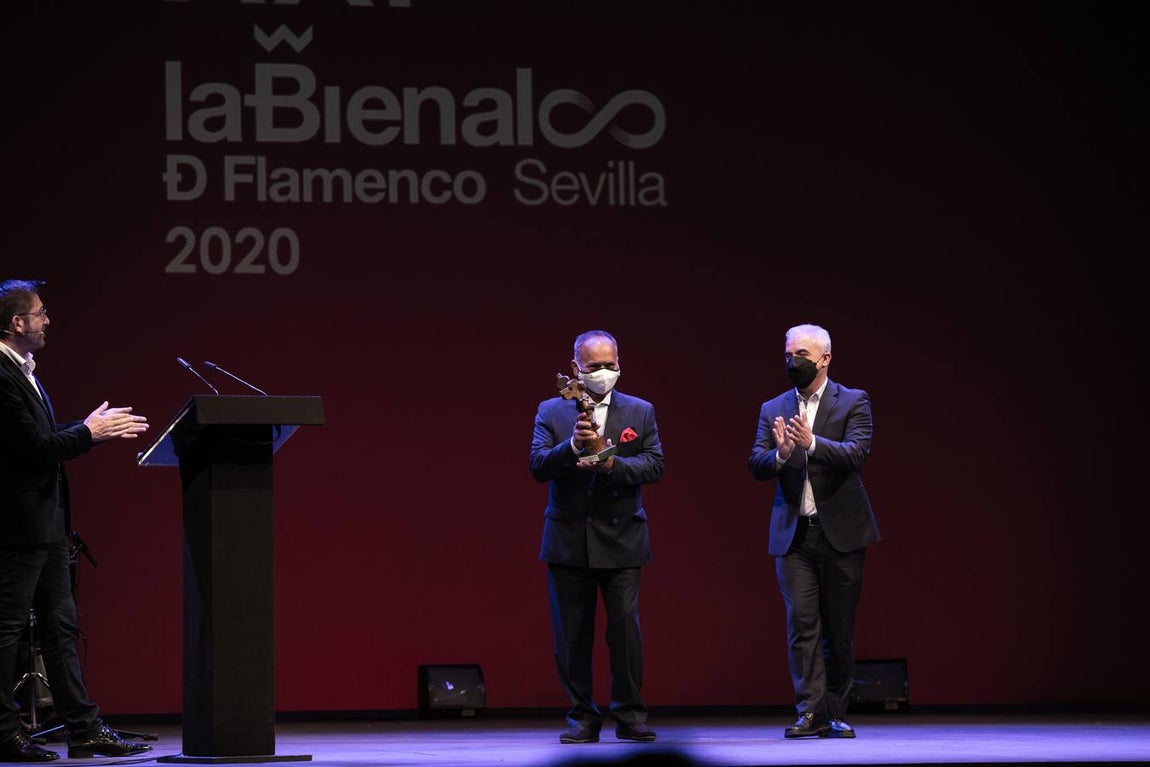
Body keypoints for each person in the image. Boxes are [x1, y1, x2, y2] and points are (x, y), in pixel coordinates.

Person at [0, 279, 153, 762]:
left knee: (60, 628)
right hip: (18, 528)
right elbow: (31, 452)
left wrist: (86, 430)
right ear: (17, 323)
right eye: (41, 313)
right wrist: (88, 434)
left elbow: (42, 437)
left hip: (45, 526)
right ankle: (4, 732)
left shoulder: (22, 371)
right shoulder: (1, 376)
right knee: (6, 632)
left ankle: (83, 729)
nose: (48, 320)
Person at [530, 330, 665, 745]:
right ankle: (582, 718)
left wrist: (610, 465)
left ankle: (629, 715)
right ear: (576, 368)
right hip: (569, 539)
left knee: (625, 631)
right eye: (593, 367)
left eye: (610, 365)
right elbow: (537, 465)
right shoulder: (552, 410)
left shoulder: (640, 411)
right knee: (572, 635)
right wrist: (571, 446)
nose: (604, 373)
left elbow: (654, 465)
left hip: (623, 538)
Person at [747, 323, 880, 740]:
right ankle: (809, 712)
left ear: (824, 358)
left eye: (801, 354)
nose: (792, 361)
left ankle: (834, 712)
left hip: (841, 533)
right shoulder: (773, 407)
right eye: (788, 354)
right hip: (794, 534)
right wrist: (782, 454)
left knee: (837, 628)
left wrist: (811, 444)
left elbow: (856, 453)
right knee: (802, 625)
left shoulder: (853, 401)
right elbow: (756, 461)